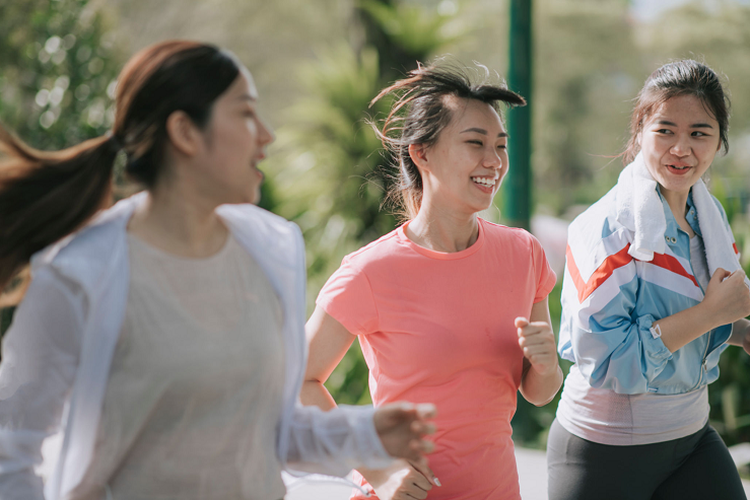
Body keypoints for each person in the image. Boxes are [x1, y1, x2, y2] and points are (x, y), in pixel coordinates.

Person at [0, 40, 438, 500]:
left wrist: (364, 434)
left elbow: (272, 431)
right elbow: (10, 450)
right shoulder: (79, 275)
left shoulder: (272, 249)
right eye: (246, 113)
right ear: (185, 132)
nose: (266, 134)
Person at [302, 62, 563, 500]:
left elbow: (538, 393)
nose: (493, 161)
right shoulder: (371, 270)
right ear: (421, 153)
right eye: (475, 143)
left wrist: (548, 365)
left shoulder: (523, 253)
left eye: (500, 145)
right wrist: (377, 469)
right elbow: (300, 380)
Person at [548, 59, 750, 500]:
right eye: (665, 130)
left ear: (719, 142)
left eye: (700, 133)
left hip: (691, 436)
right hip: (604, 449)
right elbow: (610, 362)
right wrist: (713, 312)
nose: (682, 148)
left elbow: (686, 319)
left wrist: (739, 330)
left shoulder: (707, 215)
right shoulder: (606, 229)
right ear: (640, 130)